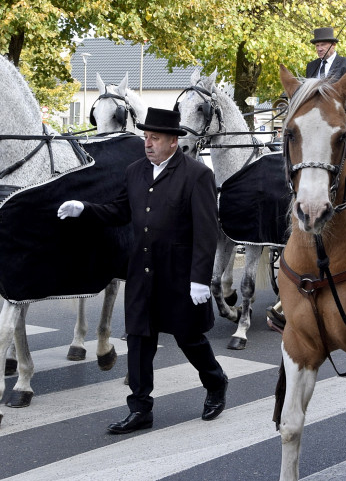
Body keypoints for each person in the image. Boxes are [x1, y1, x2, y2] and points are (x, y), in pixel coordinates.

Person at [57, 107, 228, 434]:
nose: (147, 143)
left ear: (173, 141)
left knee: (189, 338)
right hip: (141, 272)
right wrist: (84, 209)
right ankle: (140, 408)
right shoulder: (135, 170)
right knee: (138, 340)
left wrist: (199, 279)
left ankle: (216, 382)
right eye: (145, 137)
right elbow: (119, 211)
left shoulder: (197, 175)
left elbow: (206, 231)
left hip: (180, 275)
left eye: (155, 138)